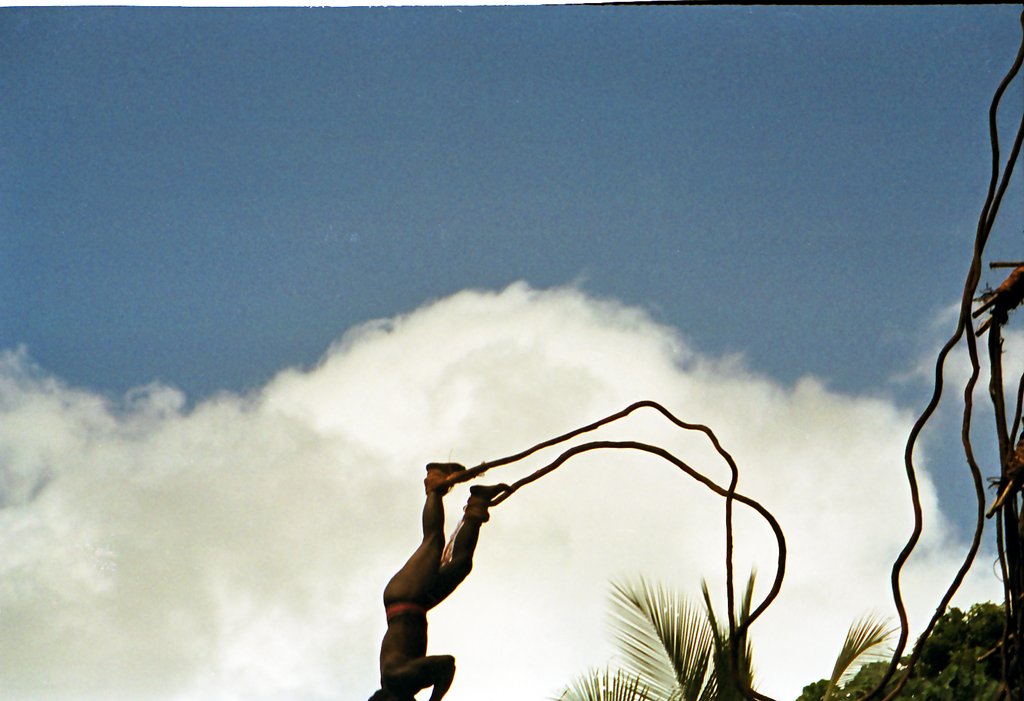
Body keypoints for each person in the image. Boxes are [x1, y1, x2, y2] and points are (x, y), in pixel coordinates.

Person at [368, 463, 508, 701]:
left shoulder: (396, 680)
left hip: (404, 596)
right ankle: (478, 501)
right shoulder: (407, 685)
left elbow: (446, 664)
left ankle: (434, 484)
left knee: (433, 541)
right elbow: (445, 667)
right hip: (418, 603)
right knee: (462, 564)